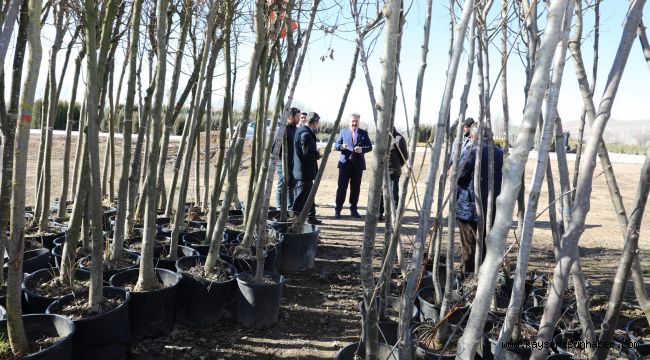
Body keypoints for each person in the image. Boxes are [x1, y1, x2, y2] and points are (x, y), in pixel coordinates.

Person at [456, 122, 503, 274]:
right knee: (485, 246)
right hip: (492, 209)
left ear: (474, 135)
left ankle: (468, 280)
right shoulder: (501, 153)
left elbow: (458, 175)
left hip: (469, 208)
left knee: (469, 246)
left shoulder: (471, 151)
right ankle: (483, 279)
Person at [334, 113, 373, 218]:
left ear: (359, 122)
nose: (354, 123)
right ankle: (338, 210)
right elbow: (336, 145)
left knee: (355, 189)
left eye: (356, 121)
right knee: (342, 188)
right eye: (352, 121)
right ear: (349, 121)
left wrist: (362, 150)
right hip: (344, 165)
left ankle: (353, 210)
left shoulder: (363, 133)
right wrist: (341, 146)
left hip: (358, 166)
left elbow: (369, 147)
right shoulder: (343, 132)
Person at [292, 112, 323, 225]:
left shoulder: (300, 130)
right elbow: (308, 154)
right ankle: (294, 217)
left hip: (302, 170)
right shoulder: (306, 134)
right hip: (304, 172)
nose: (317, 124)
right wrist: (318, 154)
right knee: (301, 196)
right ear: (314, 122)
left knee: (309, 194)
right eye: (317, 122)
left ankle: (311, 217)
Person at [379, 127, 409, 221]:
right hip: (381, 171)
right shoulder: (381, 135)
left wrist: (397, 166)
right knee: (380, 194)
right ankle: (380, 213)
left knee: (393, 194)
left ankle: (394, 216)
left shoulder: (399, 138)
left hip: (393, 171)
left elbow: (404, 156)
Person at [275, 107, 300, 210]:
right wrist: (282, 158)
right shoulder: (282, 129)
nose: (299, 119)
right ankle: (279, 207)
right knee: (282, 184)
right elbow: (275, 147)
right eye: (297, 117)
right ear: (290, 117)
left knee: (291, 185)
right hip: (282, 162)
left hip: (294, 163)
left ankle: (290, 208)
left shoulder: (297, 130)